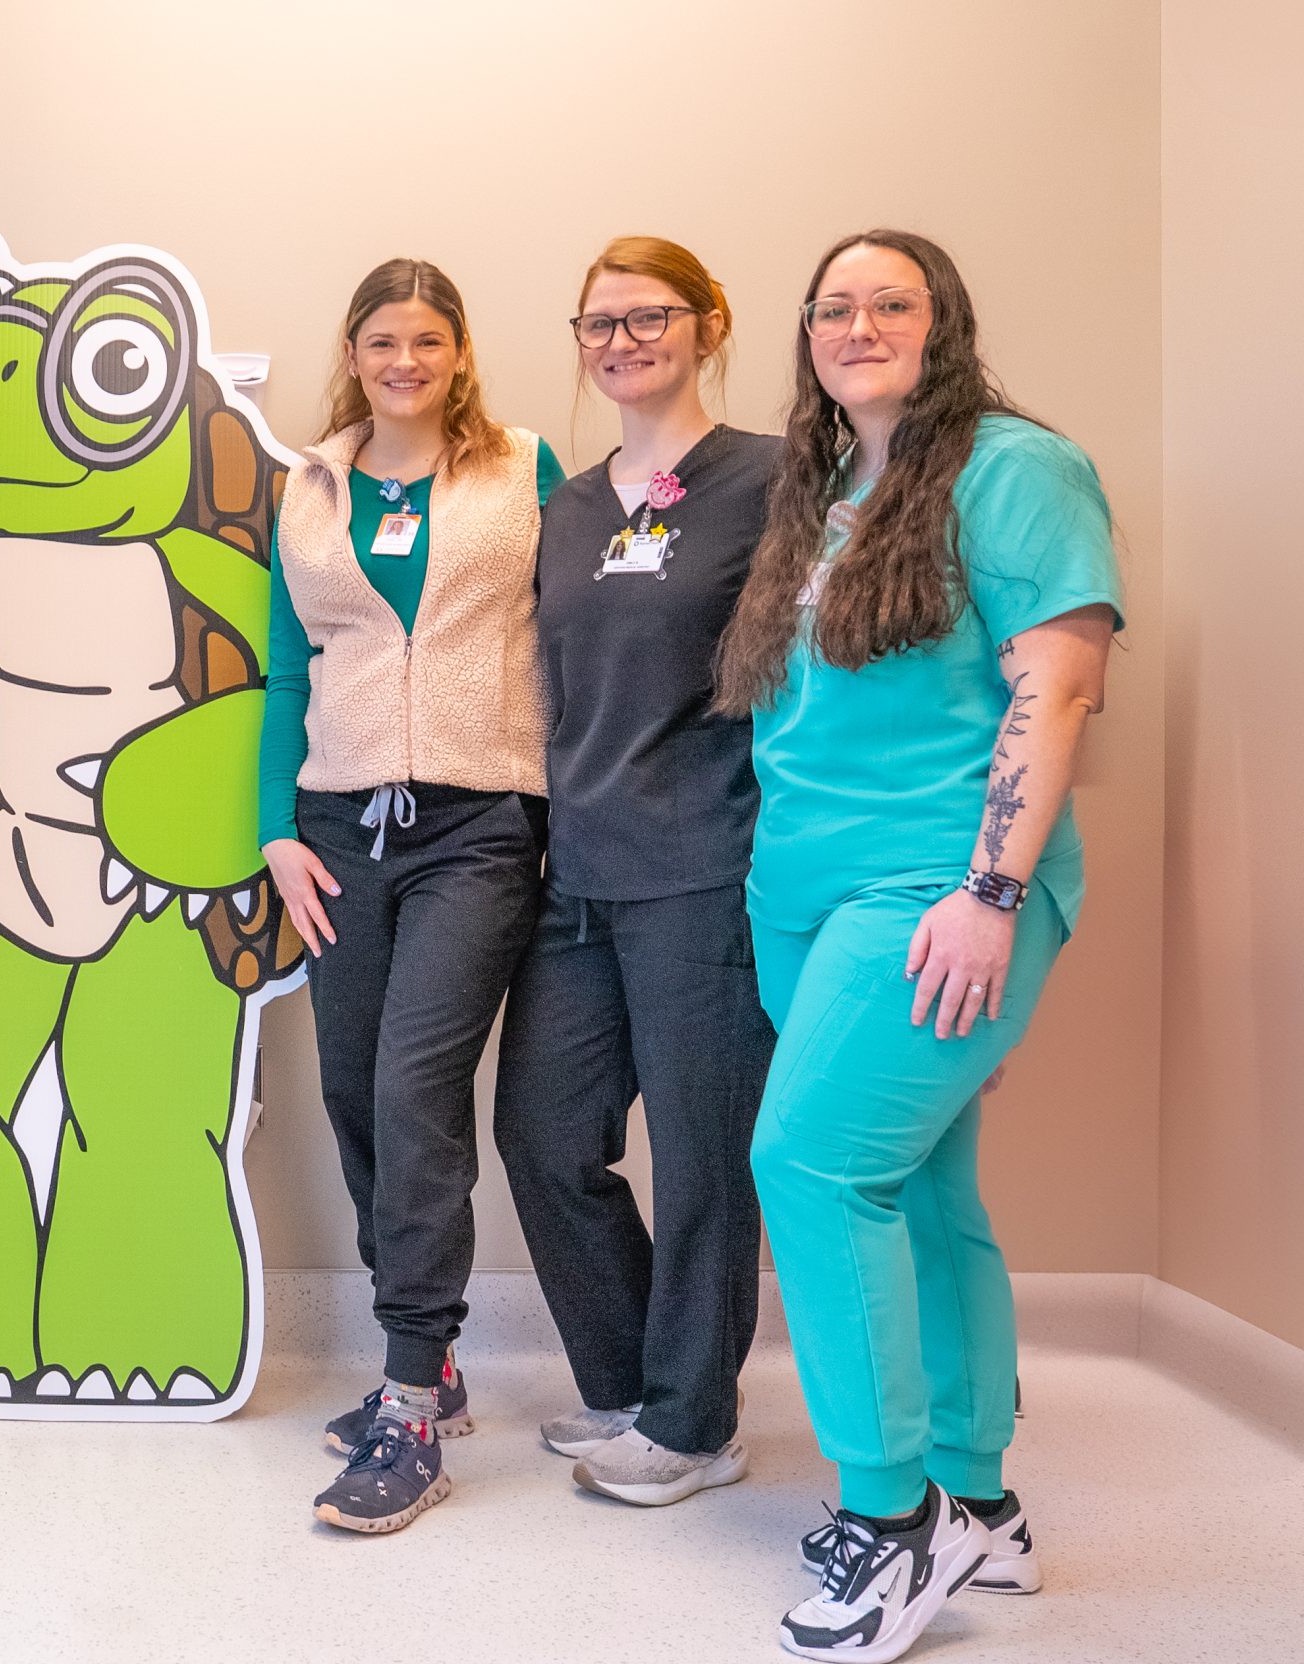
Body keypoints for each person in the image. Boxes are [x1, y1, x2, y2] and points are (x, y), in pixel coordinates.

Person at [721, 230, 1119, 1663]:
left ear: (943, 322)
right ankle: (981, 1502)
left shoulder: (1016, 469)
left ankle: (892, 1521)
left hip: (937, 890)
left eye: (891, 301)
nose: (858, 323)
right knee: (922, 1186)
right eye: (832, 306)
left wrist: (991, 897)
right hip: (804, 897)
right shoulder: (824, 486)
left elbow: (1055, 688)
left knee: (811, 1164)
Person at [257, 258, 564, 1533]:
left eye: (428, 339)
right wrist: (274, 831)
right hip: (338, 829)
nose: (405, 360)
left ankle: (408, 1405)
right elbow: (288, 667)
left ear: (459, 352)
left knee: (414, 1087)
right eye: (383, 339)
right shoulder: (310, 486)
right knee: (352, 1089)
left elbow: (577, 637)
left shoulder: (523, 469)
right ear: (353, 352)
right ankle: (427, 1357)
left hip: (478, 821)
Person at [492, 237, 779, 1507]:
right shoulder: (566, 507)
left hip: (706, 863)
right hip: (578, 870)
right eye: (598, 323)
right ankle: (626, 1384)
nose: (620, 341)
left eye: (648, 316)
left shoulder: (771, 477)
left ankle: (693, 1422)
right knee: (542, 1132)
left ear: (708, 323)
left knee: (705, 1156)